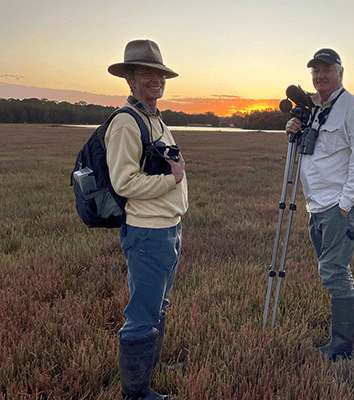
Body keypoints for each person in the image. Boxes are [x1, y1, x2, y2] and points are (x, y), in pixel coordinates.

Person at [106, 39, 188, 399]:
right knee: (142, 312)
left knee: (159, 305)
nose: (155, 79)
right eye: (145, 73)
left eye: (159, 73)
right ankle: (136, 392)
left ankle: (150, 367)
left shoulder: (154, 119)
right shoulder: (127, 122)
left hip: (168, 227)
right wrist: (172, 179)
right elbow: (123, 182)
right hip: (147, 231)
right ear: (129, 79)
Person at [285, 48, 354, 360]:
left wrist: (346, 204)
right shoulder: (316, 110)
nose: (320, 75)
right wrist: (294, 130)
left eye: (327, 69)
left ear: (340, 72)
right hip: (317, 205)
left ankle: (342, 345)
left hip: (339, 205)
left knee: (335, 269)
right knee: (331, 269)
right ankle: (341, 332)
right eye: (315, 71)